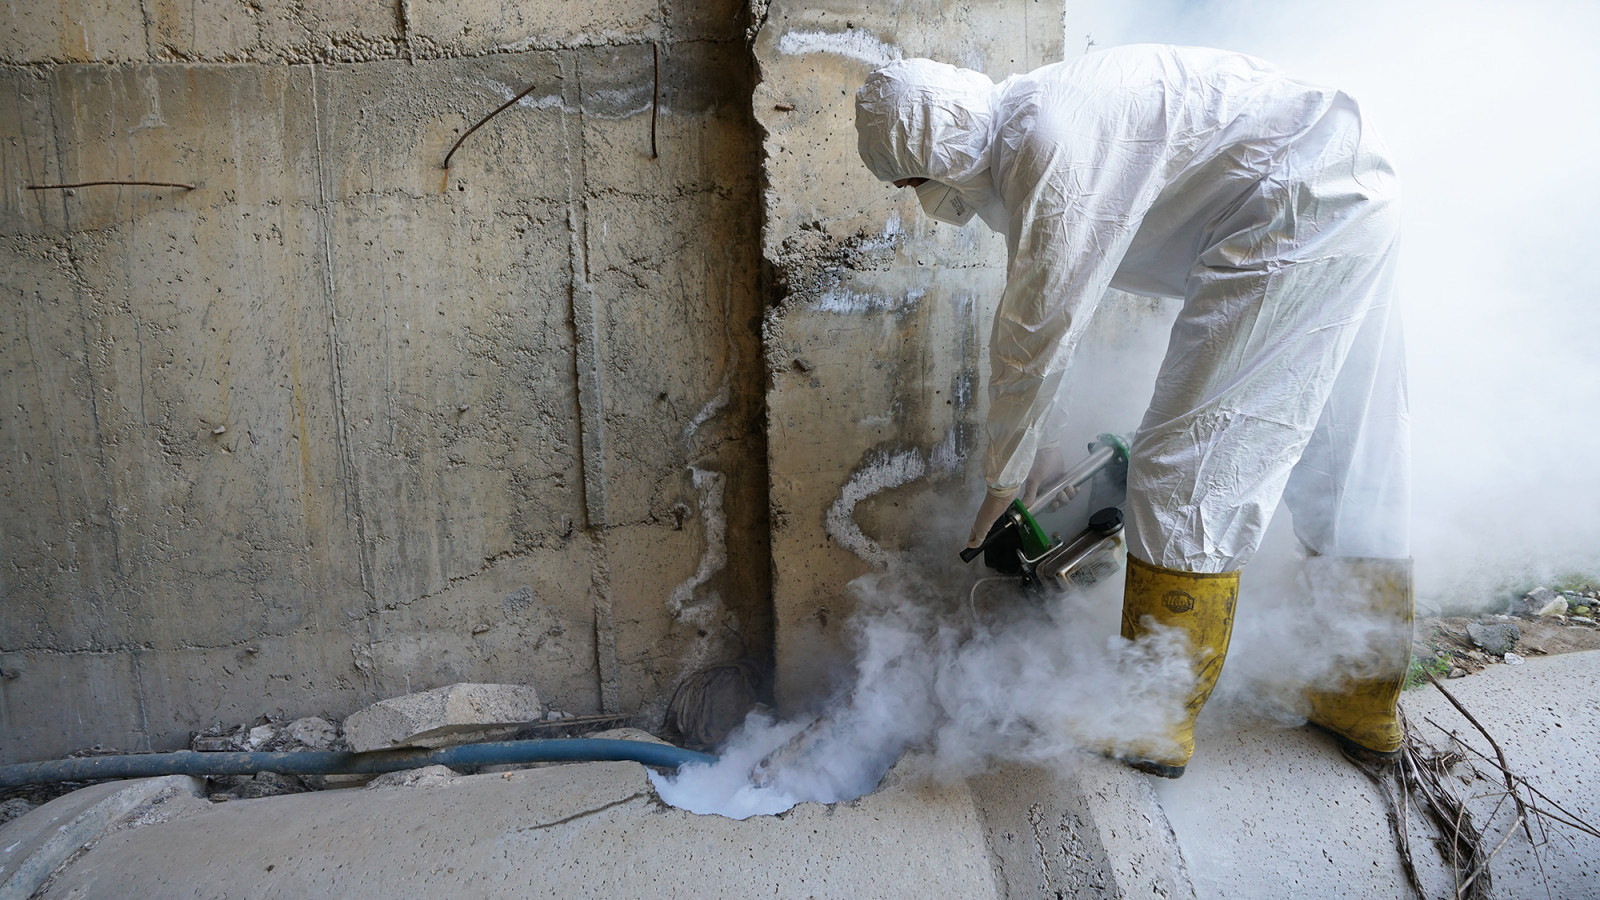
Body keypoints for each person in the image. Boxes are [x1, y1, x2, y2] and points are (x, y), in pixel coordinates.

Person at [855, 45, 1411, 777]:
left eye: (911, 180)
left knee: (1189, 464)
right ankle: (1360, 693)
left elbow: (1035, 332)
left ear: (938, 151)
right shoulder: (1039, 113)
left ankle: (1153, 714)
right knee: (1349, 457)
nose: (916, 196)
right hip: (1352, 190)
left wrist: (1002, 482)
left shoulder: (1043, 142)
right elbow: (1052, 308)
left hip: (1289, 211)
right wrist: (1040, 447)